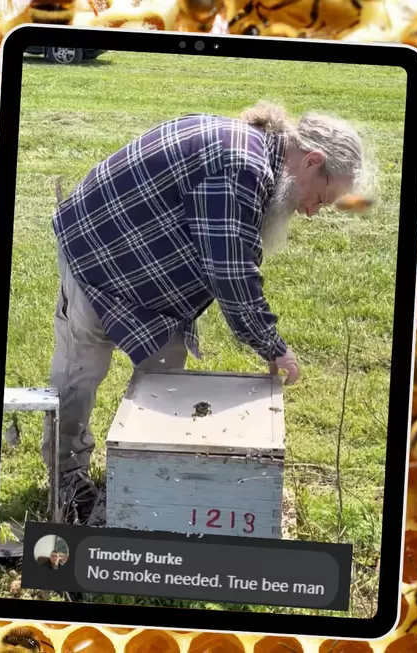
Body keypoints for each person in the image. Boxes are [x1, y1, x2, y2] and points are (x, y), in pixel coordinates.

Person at [48, 101, 371, 524]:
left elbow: (221, 256)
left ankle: (154, 477)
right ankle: (67, 476)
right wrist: (274, 349)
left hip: (146, 271)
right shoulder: (241, 167)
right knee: (80, 371)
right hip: (98, 256)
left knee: (166, 377)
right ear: (312, 161)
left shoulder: (254, 158)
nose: (310, 212)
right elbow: (232, 274)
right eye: (321, 199)